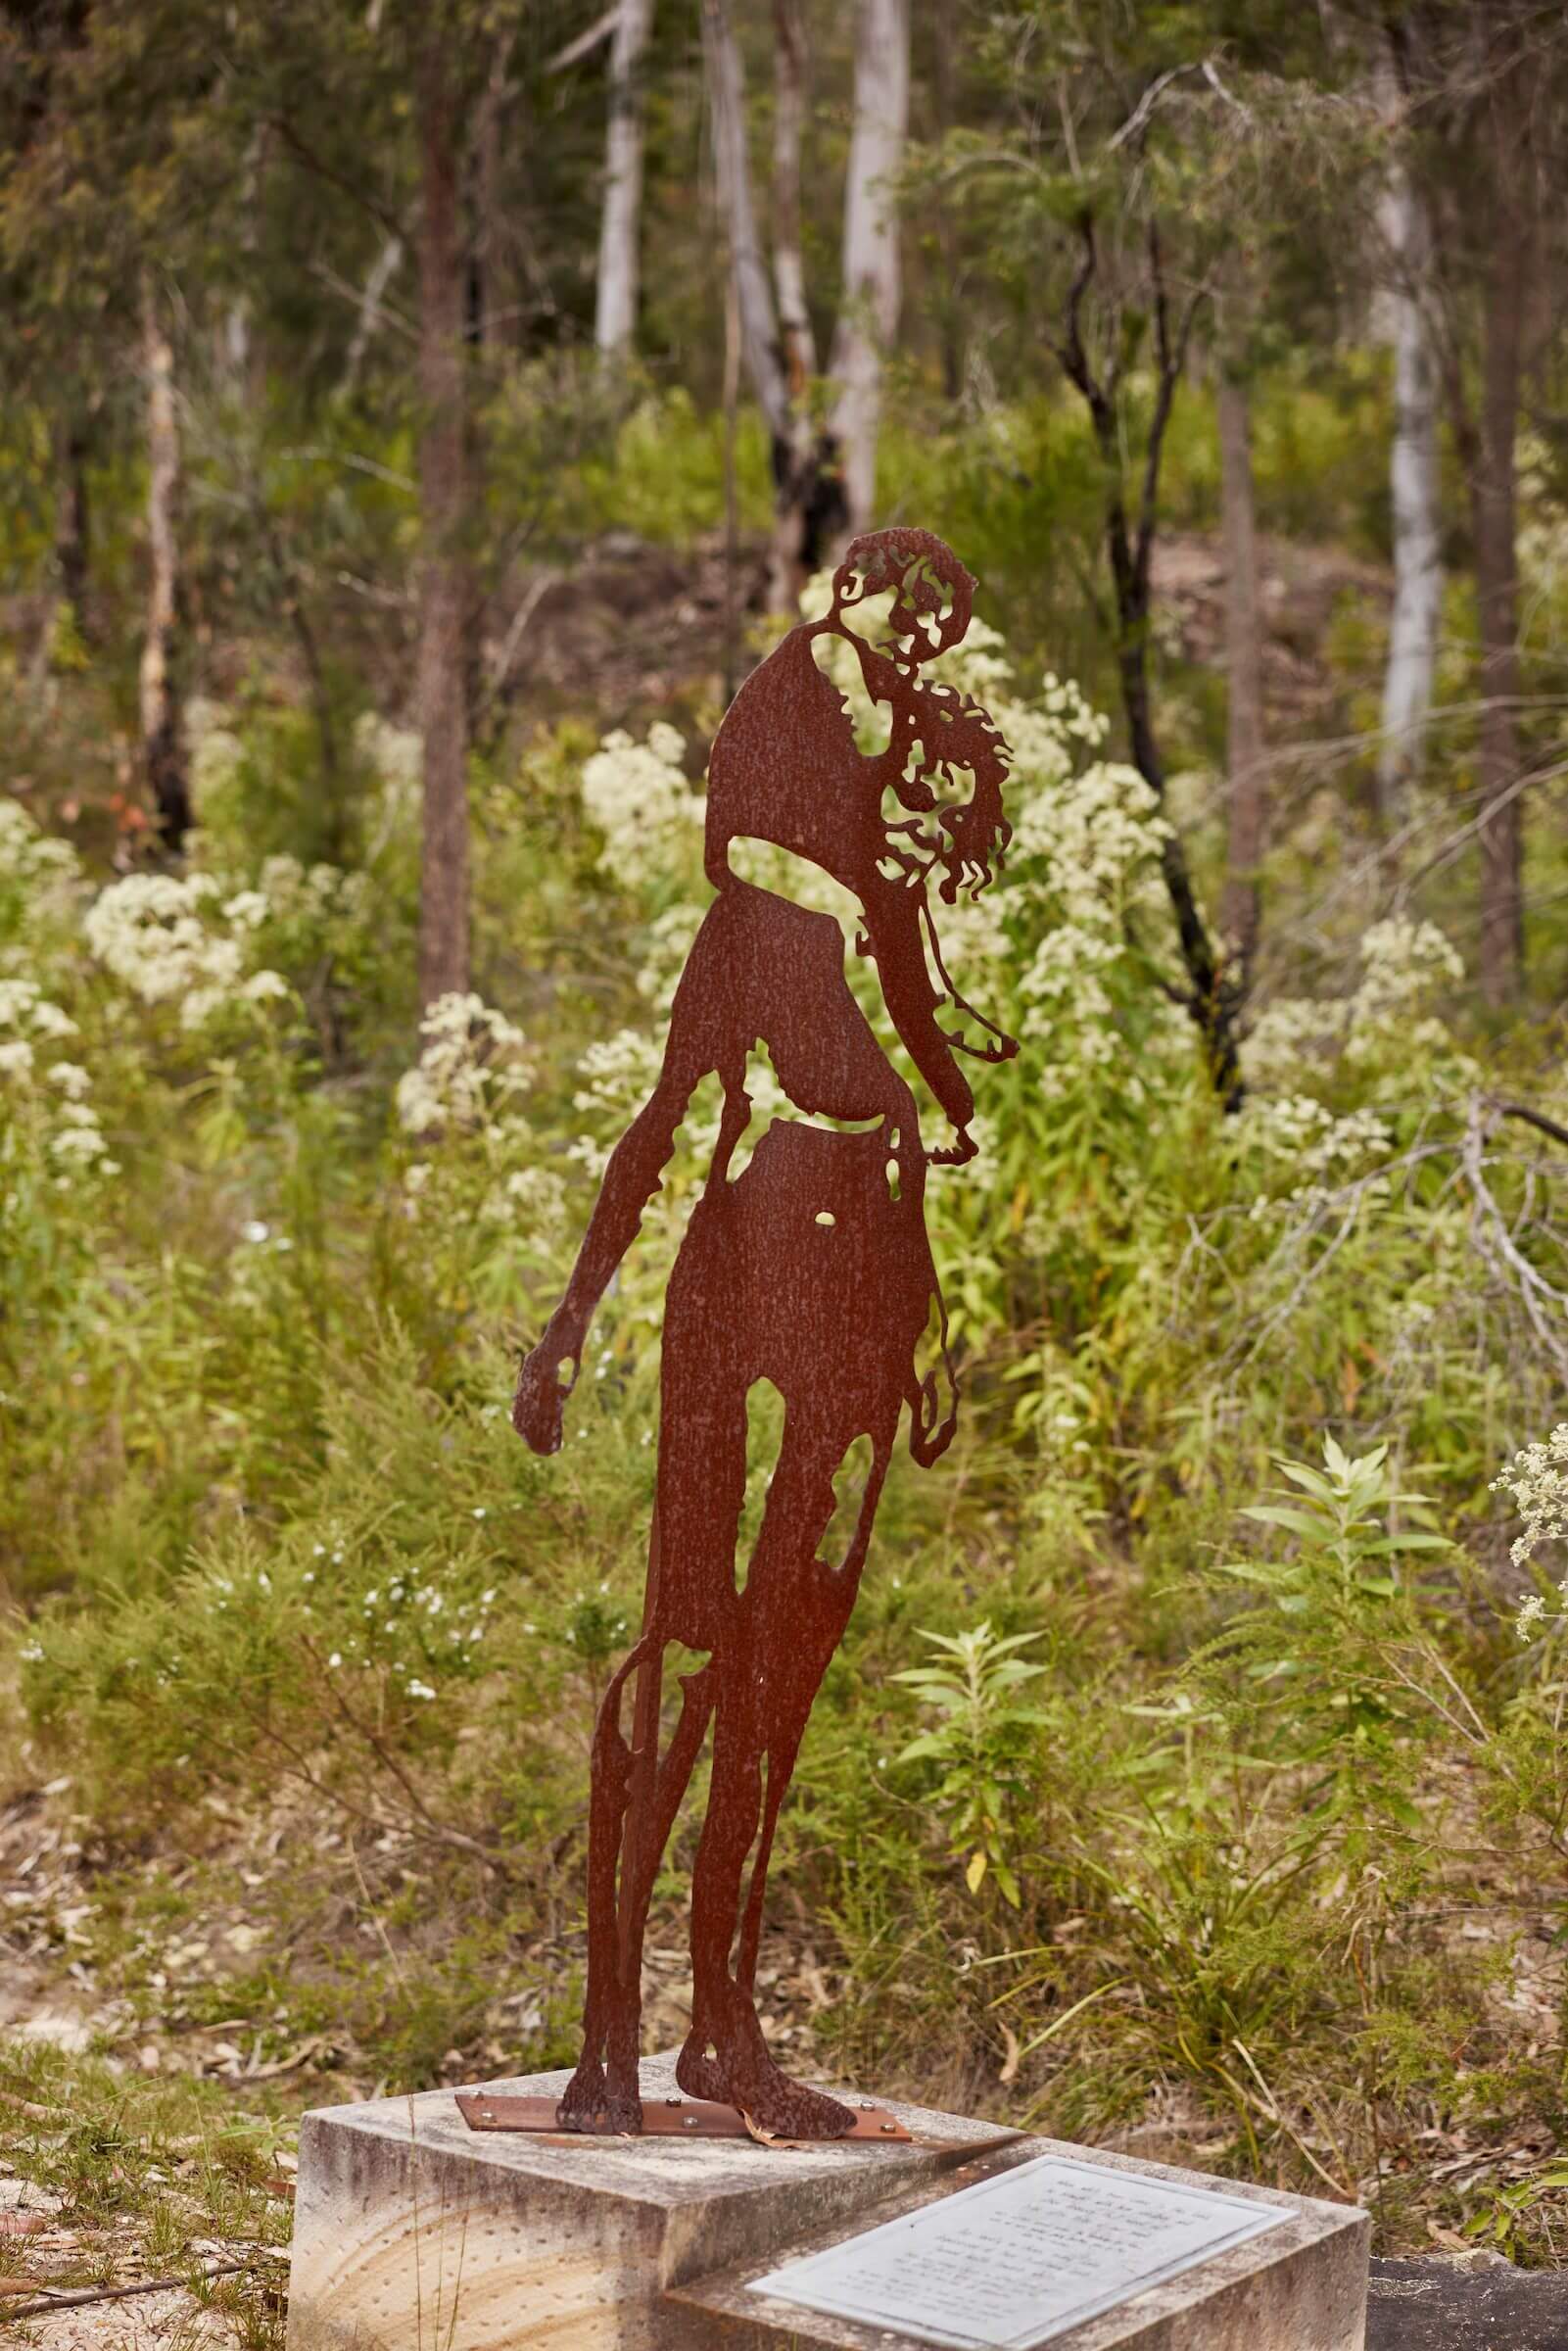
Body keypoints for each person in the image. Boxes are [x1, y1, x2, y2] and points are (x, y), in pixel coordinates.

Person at [512, 527, 1017, 2135]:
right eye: (893, 630)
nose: (903, 672)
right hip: (748, 1268)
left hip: (862, 1282)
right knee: (684, 1629)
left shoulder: (884, 933)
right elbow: (660, 1122)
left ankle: (719, 2033)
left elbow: (918, 1131)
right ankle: (609, 2037)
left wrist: (927, 1329)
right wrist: (567, 1322)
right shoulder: (756, 915)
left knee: (785, 1653)